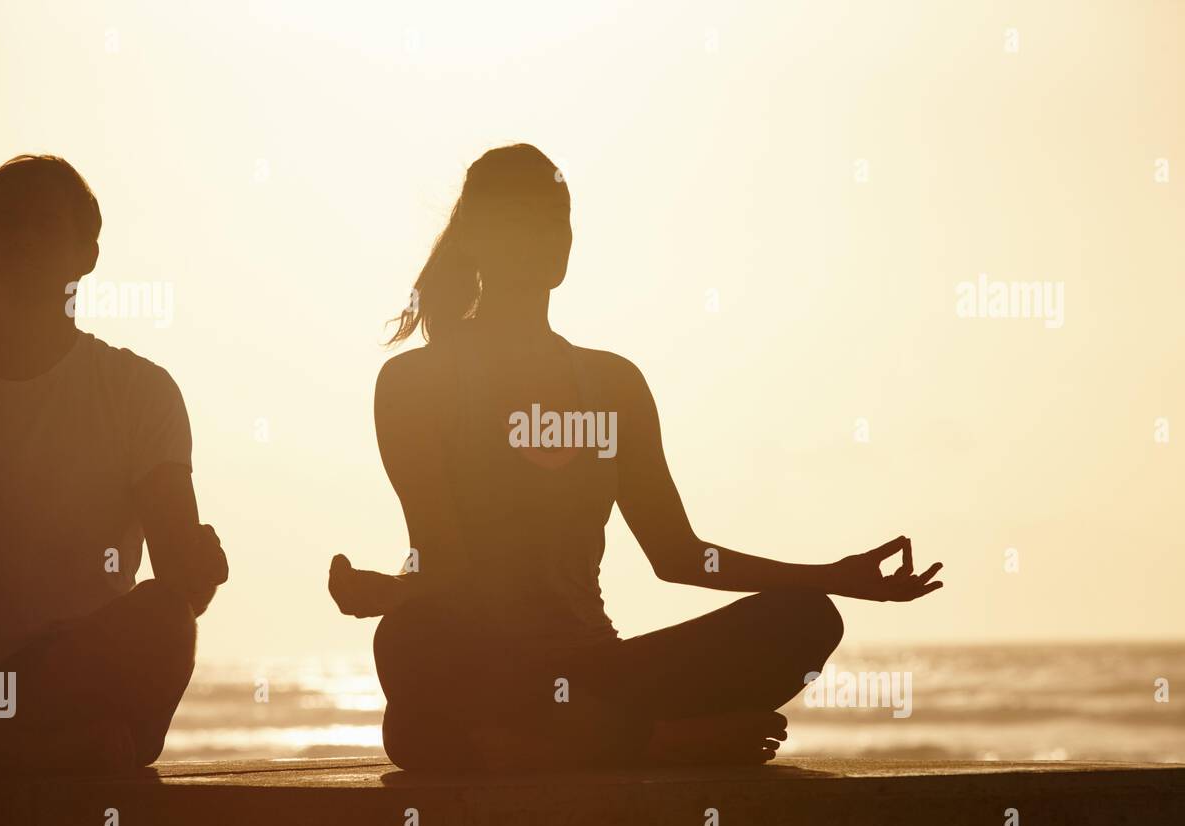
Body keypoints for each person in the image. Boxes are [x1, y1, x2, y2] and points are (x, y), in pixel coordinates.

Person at [328, 144, 943, 772]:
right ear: (478, 241)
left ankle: (586, 740)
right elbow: (446, 565)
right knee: (410, 643)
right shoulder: (418, 384)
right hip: (489, 668)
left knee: (805, 618)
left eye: (554, 221)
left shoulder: (611, 384)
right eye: (518, 224)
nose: (543, 240)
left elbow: (677, 555)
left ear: (566, 243)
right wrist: (391, 594)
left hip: (599, 673)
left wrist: (834, 577)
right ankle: (655, 744)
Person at [0, 155, 227, 773]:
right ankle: (50, 746)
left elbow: (177, 585)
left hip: (85, 666)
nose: (24, 239)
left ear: (88, 254)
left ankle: (9, 746)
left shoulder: (138, 390)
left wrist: (199, 570)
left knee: (162, 620)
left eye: (45, 225)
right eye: (9, 224)